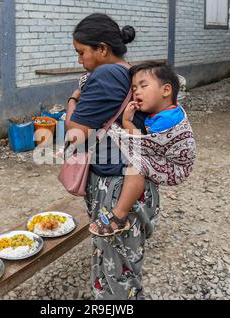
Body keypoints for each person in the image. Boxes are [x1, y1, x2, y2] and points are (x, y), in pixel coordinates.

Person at [65, 13, 160, 300]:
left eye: (82, 53)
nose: (80, 60)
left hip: (115, 187)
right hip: (134, 181)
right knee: (123, 267)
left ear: (103, 49)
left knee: (117, 276)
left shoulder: (106, 74)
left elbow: (75, 134)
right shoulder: (130, 72)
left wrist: (73, 100)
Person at [88, 62, 195, 237]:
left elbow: (141, 143)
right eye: (134, 87)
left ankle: (119, 216)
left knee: (136, 166)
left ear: (166, 90)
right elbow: (144, 140)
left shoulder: (166, 121)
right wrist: (128, 122)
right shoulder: (167, 112)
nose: (136, 92)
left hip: (175, 167)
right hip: (169, 162)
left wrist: (122, 126)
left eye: (143, 86)